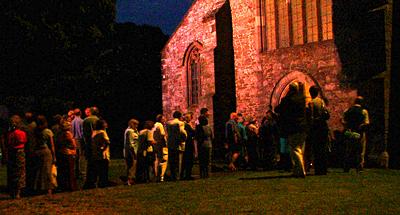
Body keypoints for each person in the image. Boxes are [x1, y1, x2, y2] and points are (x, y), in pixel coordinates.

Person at [275, 82, 307, 178]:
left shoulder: (287, 100)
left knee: (295, 149)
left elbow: (278, 109)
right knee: (300, 149)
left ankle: (301, 171)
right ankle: (297, 170)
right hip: (303, 127)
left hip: (293, 127)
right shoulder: (302, 99)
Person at [342, 96, 370, 172]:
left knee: (349, 150)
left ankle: (346, 166)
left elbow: (343, 121)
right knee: (360, 151)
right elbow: (366, 123)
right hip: (359, 133)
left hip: (350, 132)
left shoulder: (347, 110)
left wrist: (347, 127)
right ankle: (359, 166)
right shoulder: (364, 111)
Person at [307, 86, 330, 175]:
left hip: (316, 127)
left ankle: (318, 169)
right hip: (323, 126)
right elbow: (325, 111)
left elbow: (311, 116)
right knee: (323, 148)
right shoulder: (321, 101)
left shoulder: (311, 103)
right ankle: (323, 168)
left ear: (310, 93)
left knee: (316, 149)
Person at [33, 115, 57, 195]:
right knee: (47, 171)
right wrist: (54, 156)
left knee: (39, 170)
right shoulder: (47, 131)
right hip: (45, 151)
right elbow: (52, 145)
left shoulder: (35, 131)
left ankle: (39, 188)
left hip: (37, 151)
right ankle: (48, 189)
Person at [6, 115, 27, 199]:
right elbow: (24, 141)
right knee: (20, 171)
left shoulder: (10, 134)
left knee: (12, 171)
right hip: (20, 152)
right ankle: (18, 192)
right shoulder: (22, 133)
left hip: (12, 152)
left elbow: (8, 143)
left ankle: (12, 191)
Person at [55, 121, 78, 191]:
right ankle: (71, 186)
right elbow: (73, 144)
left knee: (64, 171)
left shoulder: (59, 134)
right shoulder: (67, 133)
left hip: (63, 153)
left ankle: (64, 185)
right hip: (68, 153)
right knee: (70, 171)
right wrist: (74, 148)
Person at [166, 111, 187, 181]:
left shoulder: (168, 123)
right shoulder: (180, 123)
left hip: (170, 143)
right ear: (180, 116)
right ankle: (177, 176)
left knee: (171, 161)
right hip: (178, 144)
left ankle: (172, 175)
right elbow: (182, 132)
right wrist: (184, 138)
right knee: (178, 160)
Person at [82, 107, 100, 189]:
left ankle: (89, 181)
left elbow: (85, 134)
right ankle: (95, 179)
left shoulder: (86, 120)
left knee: (89, 162)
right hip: (97, 143)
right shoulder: (98, 120)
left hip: (89, 143)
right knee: (96, 162)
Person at [90, 119, 111, 187]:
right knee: (104, 168)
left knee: (99, 168)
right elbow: (107, 142)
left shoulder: (94, 132)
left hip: (96, 153)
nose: (106, 124)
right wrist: (103, 148)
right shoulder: (102, 132)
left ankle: (99, 182)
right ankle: (104, 182)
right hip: (103, 153)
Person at [123, 118, 139, 185]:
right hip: (131, 151)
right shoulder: (129, 131)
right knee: (131, 165)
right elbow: (130, 143)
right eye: (135, 124)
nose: (137, 126)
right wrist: (133, 153)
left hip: (132, 150)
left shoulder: (133, 131)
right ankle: (130, 180)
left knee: (132, 165)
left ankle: (131, 179)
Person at [152, 114, 168, 182]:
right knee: (163, 160)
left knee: (157, 160)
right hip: (161, 145)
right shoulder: (160, 125)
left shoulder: (155, 125)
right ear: (161, 119)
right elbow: (162, 134)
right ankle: (161, 176)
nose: (164, 120)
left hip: (156, 145)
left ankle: (156, 175)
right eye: (163, 119)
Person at [181, 112, 196, 180]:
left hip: (188, 144)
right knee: (188, 159)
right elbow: (193, 133)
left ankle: (186, 174)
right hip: (188, 144)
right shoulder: (186, 125)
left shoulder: (187, 125)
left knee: (187, 160)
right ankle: (187, 175)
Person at [71, 108, 84, 178]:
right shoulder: (81, 121)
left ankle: (75, 171)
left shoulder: (72, 122)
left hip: (73, 139)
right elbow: (82, 132)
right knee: (79, 156)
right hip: (79, 139)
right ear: (80, 113)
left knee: (75, 156)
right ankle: (79, 171)